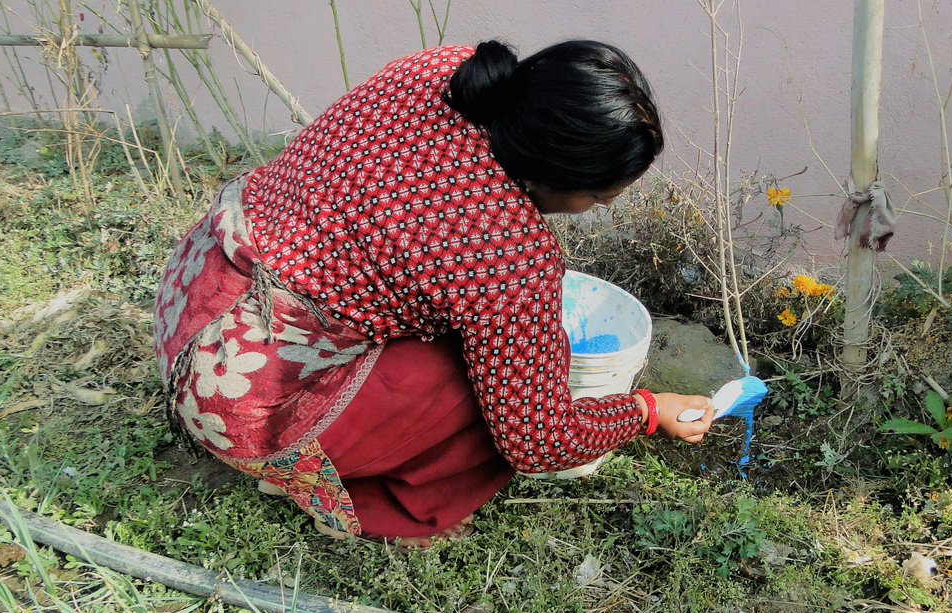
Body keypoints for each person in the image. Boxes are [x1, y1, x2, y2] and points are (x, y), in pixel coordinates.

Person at [152, 39, 715, 547]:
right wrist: (647, 410)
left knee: (497, 345)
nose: (606, 207)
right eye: (600, 197)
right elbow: (539, 440)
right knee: (494, 391)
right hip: (240, 397)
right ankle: (361, 496)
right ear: (553, 175)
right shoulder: (512, 255)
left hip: (194, 296)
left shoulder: (446, 72)